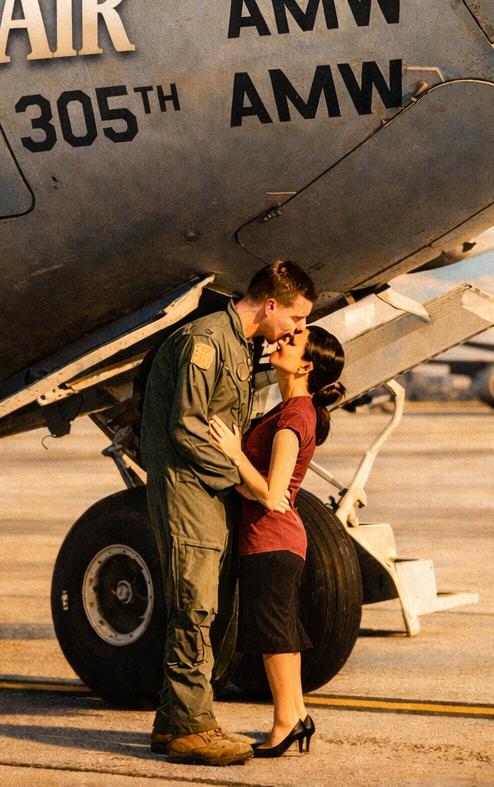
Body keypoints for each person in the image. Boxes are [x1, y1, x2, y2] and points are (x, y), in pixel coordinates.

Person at [140, 261, 317, 766]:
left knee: (207, 609)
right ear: (270, 305)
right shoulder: (207, 341)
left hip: (211, 496)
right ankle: (190, 729)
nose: (294, 331)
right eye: (294, 319)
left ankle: (178, 721)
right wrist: (245, 480)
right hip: (188, 492)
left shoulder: (239, 347)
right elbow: (188, 429)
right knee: (194, 608)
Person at [209, 324, 345, 758]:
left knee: (274, 635)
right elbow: (264, 489)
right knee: (280, 631)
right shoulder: (289, 410)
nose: (281, 341)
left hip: (271, 540)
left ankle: (285, 723)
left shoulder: (293, 417)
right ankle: (297, 715)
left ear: (306, 365)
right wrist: (244, 482)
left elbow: (271, 494)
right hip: (275, 539)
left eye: (293, 342)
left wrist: (233, 453)